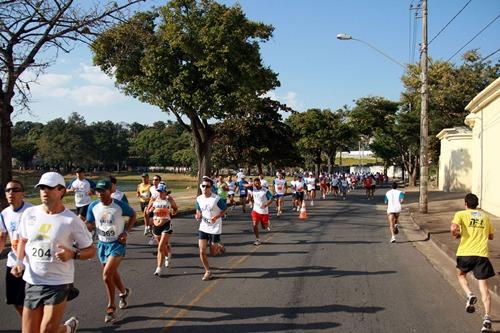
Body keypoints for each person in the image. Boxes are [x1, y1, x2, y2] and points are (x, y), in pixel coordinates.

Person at [11, 172, 96, 333]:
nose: (45, 191)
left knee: (47, 331)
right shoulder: (30, 214)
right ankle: (66, 328)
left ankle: (67, 328)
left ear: (61, 190)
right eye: (42, 187)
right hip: (32, 280)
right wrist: (19, 262)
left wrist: (73, 254)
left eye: (49, 188)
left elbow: (91, 250)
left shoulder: (71, 220)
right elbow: (23, 240)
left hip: (58, 282)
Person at [87, 179, 136, 323]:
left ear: (110, 191)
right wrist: (85, 224)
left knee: (106, 275)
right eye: (98, 191)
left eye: (103, 190)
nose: (100, 194)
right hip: (102, 244)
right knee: (112, 274)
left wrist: (126, 231)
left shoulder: (119, 206)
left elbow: (133, 215)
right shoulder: (93, 206)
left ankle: (111, 307)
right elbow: (90, 222)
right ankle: (124, 292)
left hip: (117, 244)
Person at [450, 193, 495, 333]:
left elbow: (453, 228)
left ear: (465, 204)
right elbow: (491, 236)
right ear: (477, 204)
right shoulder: (485, 217)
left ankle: (469, 294)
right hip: (481, 255)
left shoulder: (461, 214)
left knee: (460, 275)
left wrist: (457, 234)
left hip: (465, 253)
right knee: (484, 286)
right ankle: (487, 318)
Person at [0, 180, 33, 316]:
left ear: (22, 193)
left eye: (15, 190)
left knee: (31, 302)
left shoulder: (32, 211)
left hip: (31, 262)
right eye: (8, 190)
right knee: (14, 301)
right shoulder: (4, 213)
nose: (11, 193)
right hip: (13, 263)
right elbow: (2, 236)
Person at [195, 178, 227, 281]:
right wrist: (198, 215)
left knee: (213, 253)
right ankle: (207, 271)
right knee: (201, 250)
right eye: (203, 186)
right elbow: (198, 209)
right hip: (204, 226)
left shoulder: (216, 199)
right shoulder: (199, 198)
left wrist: (216, 217)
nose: (205, 188)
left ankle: (219, 246)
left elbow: (224, 210)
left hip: (215, 227)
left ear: (211, 188)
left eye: (207, 186)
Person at [145, 183, 178, 276]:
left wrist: (173, 212)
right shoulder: (154, 199)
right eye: (158, 191)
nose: (159, 193)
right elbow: (149, 210)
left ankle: (158, 268)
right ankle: (167, 255)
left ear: (165, 192)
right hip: (156, 226)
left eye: (161, 191)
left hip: (166, 225)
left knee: (160, 247)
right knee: (163, 246)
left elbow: (175, 209)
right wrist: (147, 211)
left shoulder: (169, 199)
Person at [248, 178, 273, 245]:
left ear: (260, 183)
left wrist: (266, 204)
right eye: (255, 183)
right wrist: (250, 201)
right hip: (255, 210)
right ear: (254, 183)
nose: (257, 185)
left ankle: (267, 223)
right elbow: (243, 185)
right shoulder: (253, 189)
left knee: (264, 227)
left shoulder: (265, 190)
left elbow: (271, 198)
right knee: (254, 224)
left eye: (258, 183)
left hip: (264, 211)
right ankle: (258, 239)